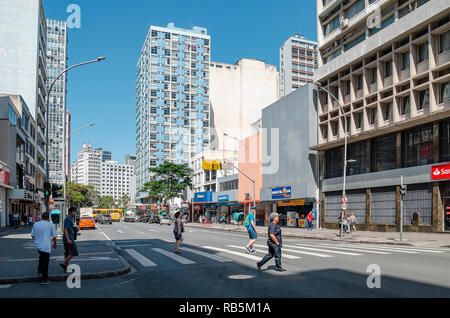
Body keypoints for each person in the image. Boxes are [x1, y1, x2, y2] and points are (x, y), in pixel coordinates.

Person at [31, 212, 57, 285]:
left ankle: (39, 271)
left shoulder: (36, 224)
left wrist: (37, 240)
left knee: (41, 257)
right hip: (46, 246)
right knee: (45, 262)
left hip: (38, 245)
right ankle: (44, 279)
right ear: (48, 218)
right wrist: (55, 243)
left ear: (41, 217)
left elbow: (32, 235)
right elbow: (54, 236)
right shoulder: (50, 225)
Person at [60, 207, 78, 272]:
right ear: (69, 212)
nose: (74, 213)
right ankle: (64, 263)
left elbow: (70, 228)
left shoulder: (71, 218)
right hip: (68, 238)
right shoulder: (68, 218)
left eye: (75, 211)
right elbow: (65, 229)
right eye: (73, 211)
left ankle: (66, 267)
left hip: (70, 237)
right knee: (74, 251)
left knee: (67, 252)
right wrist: (68, 239)